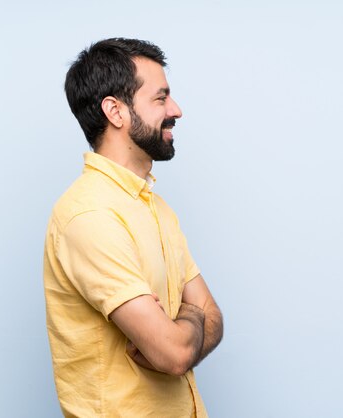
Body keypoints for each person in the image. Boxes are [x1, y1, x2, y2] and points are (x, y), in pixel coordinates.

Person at [43, 38, 223, 418]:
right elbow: (174, 355)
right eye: (160, 99)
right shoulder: (90, 216)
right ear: (116, 112)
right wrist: (188, 324)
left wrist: (185, 321)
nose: (176, 110)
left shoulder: (156, 208)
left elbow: (212, 316)